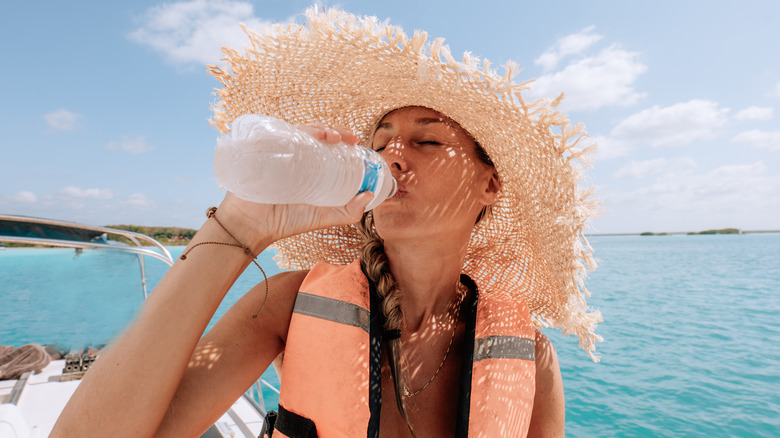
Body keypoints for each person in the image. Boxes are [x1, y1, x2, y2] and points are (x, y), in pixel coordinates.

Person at [52, 8, 601, 438]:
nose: (392, 155)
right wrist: (242, 225)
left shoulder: (530, 354)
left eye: (427, 140)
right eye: (380, 141)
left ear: (490, 184)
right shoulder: (287, 304)